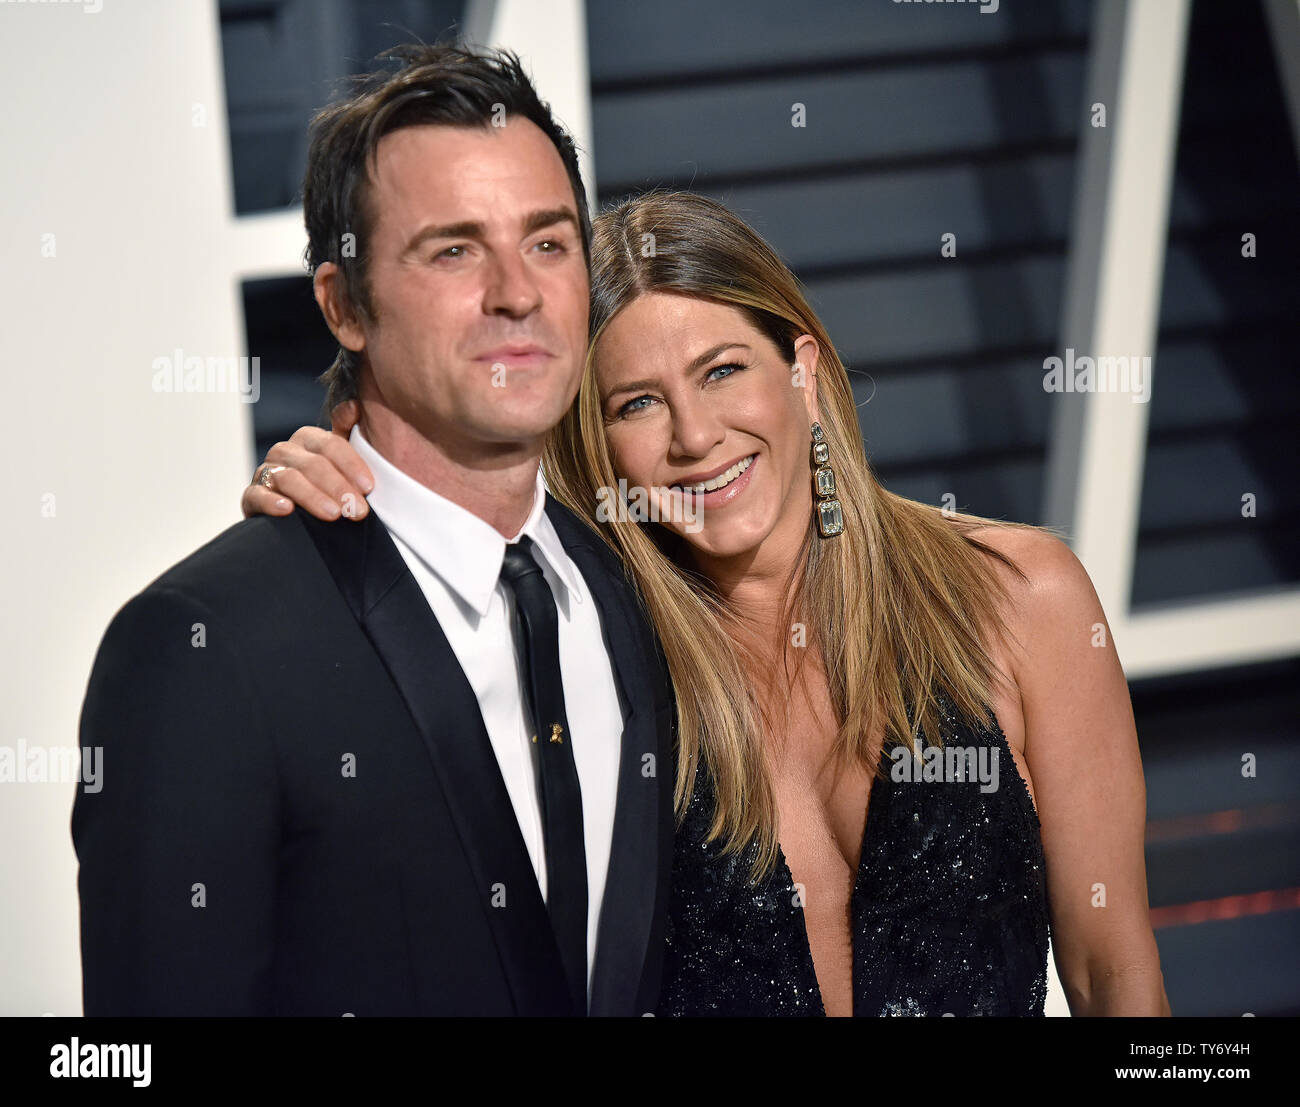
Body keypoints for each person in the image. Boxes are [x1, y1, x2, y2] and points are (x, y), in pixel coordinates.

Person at [248, 190, 1172, 1016]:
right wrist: (322, 537)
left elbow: (1113, 974)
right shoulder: (599, 666)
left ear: (804, 370)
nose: (695, 435)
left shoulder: (1021, 599)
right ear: (595, 447)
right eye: (637, 404)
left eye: (723, 370)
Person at [73, 44, 675, 1017]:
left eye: (547, 242)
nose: (516, 292)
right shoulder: (207, 645)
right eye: (453, 250)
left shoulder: (638, 588)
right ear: (343, 305)